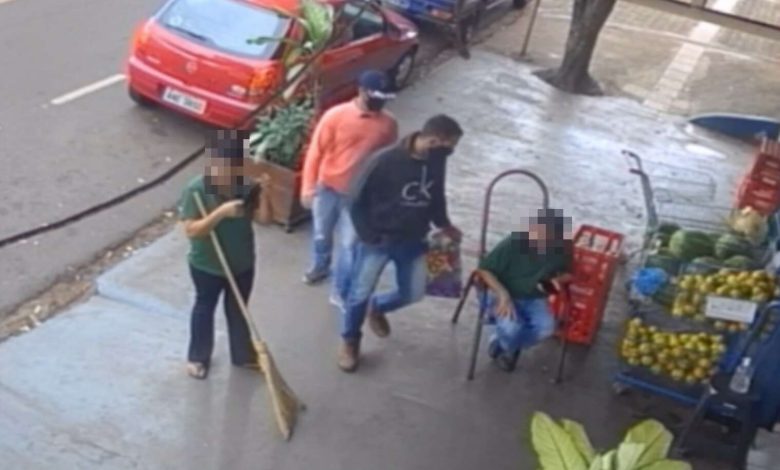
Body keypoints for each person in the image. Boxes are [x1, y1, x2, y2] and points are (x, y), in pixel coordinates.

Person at [338, 115, 464, 372]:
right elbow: (354, 199)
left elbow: (436, 194)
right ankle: (350, 340)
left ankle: (379, 307)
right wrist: (368, 235)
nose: (450, 152)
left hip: (414, 239)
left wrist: (445, 224)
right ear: (433, 140)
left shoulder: (436, 161)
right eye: (449, 146)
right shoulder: (384, 161)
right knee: (358, 293)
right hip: (378, 240)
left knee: (414, 291)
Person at [300, 70, 399, 296]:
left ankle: (341, 285)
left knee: (350, 244)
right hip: (328, 188)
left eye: (384, 99)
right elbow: (316, 152)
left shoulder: (388, 125)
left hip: (360, 196)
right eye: (375, 97)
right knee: (322, 233)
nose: (379, 103)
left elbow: (385, 161)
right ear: (361, 91)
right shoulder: (336, 116)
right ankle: (320, 267)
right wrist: (308, 187)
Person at [177, 130, 262, 380]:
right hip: (207, 265)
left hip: (242, 263)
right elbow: (192, 231)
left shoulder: (247, 187)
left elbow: (263, 218)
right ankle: (198, 357)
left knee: (239, 310)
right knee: (204, 308)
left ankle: (242, 356)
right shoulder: (195, 190)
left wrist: (265, 196)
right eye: (214, 163)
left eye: (225, 166)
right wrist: (221, 213)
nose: (217, 171)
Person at [476, 209, 573, 372]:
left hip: (533, 295)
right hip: (501, 290)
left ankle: (506, 344)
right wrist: (502, 293)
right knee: (512, 327)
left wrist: (556, 280)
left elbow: (568, 273)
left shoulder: (561, 247)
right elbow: (484, 270)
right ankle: (507, 342)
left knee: (546, 328)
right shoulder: (514, 242)